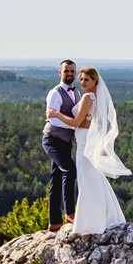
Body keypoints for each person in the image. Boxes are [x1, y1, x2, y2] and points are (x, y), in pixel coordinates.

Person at [45, 66, 129, 234]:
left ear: (95, 81)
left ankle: (88, 221)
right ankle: (103, 217)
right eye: (81, 79)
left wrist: (56, 114)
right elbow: (91, 121)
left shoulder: (87, 97)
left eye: (86, 79)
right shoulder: (96, 96)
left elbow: (76, 122)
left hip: (83, 142)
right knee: (93, 178)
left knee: (85, 179)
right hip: (84, 139)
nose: (83, 82)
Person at [42, 60, 81, 230]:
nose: (70, 74)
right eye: (66, 71)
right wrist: (74, 124)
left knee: (56, 180)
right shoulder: (55, 93)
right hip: (52, 139)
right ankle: (70, 212)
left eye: (72, 71)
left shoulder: (77, 93)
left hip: (66, 142)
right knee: (69, 170)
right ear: (60, 72)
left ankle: (54, 223)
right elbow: (53, 119)